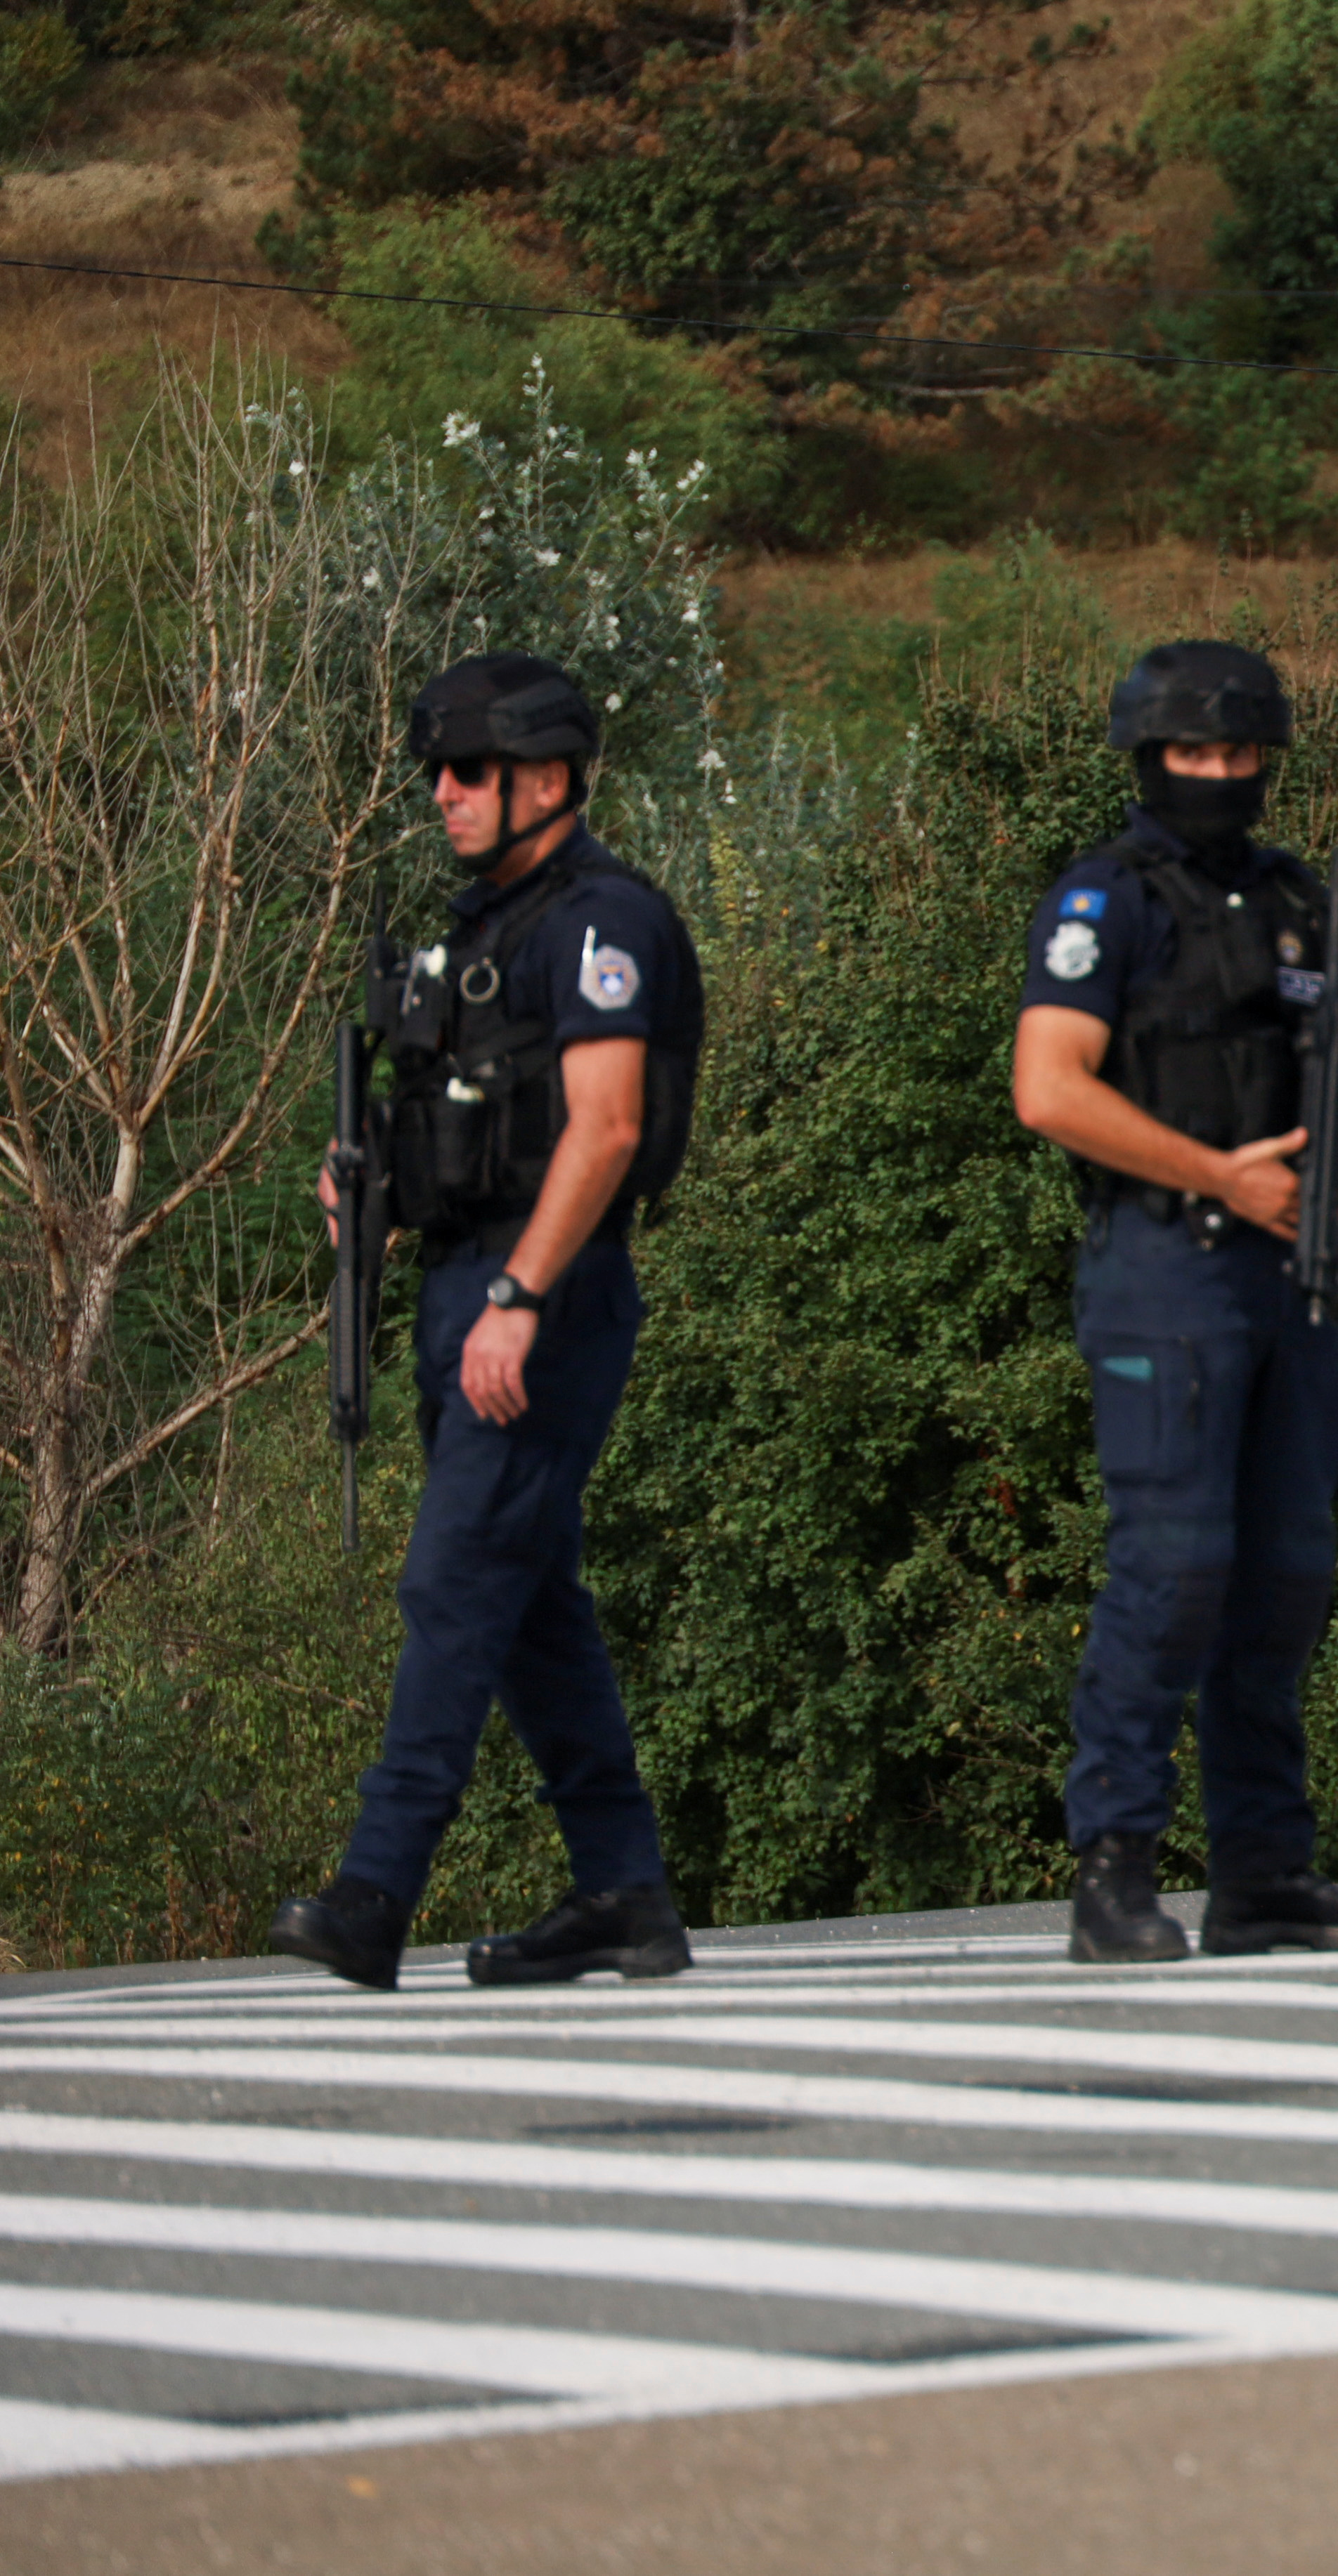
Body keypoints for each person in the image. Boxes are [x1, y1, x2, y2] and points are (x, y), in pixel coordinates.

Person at [1009, 641, 1338, 1961]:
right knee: (1175, 1568)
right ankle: (1115, 1868)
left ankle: (1264, 1871)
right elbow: (1049, 1088)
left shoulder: (1291, 899)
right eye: (1191, 754)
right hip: (1169, 1265)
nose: (1216, 774)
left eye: (1237, 753)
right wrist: (1220, 1174)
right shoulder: (1106, 902)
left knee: (1283, 1577)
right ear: (1149, 759)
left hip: (1288, 1276)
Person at [269, 654, 705, 1993]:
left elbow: (610, 1127)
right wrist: (374, 1195)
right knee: (529, 1606)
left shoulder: (603, 922)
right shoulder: (480, 932)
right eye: (441, 773)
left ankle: (375, 1892)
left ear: (550, 780)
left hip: (546, 1292)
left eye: (470, 772)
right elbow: (459, 1132)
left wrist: (518, 1293)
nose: (445, 795)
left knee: (455, 1579)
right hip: (465, 1282)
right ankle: (624, 1890)